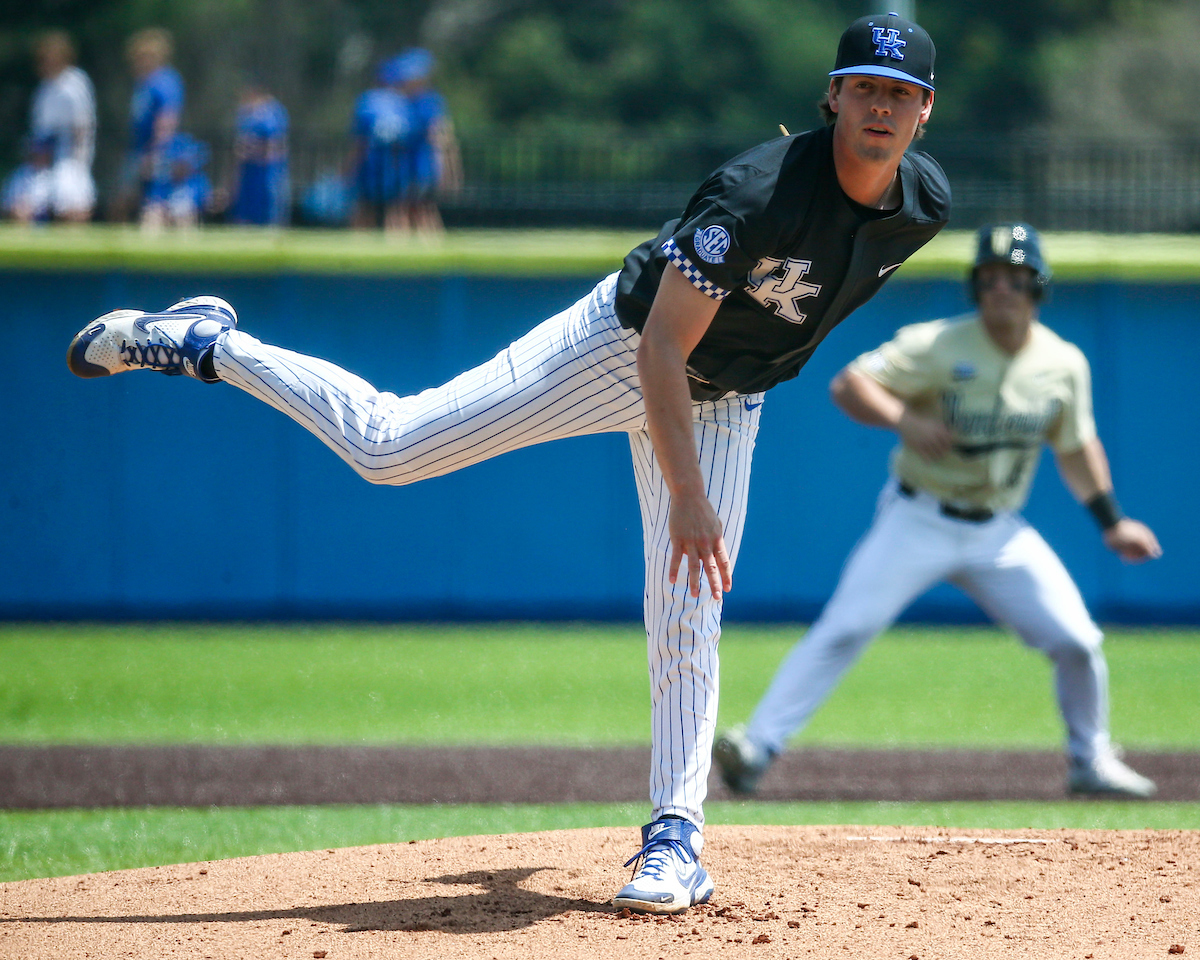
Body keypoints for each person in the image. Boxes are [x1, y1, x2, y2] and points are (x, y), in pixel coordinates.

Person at [66, 12, 949, 913]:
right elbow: (660, 350)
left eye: (900, 93)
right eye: (865, 87)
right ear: (833, 95)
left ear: (924, 112)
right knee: (389, 447)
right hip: (626, 345)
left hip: (731, 397)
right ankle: (212, 345)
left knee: (691, 609)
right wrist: (688, 491)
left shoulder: (923, 205)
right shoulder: (757, 193)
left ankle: (675, 838)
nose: (881, 106)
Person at [713, 223, 1163, 800]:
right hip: (918, 518)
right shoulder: (938, 344)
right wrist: (904, 419)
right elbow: (851, 384)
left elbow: (1076, 448)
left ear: (1037, 287)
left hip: (998, 531)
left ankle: (1092, 761)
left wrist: (1112, 521)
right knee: (845, 627)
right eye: (991, 278)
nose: (1003, 288)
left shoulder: (1063, 363)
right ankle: (757, 748)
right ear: (976, 287)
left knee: (1078, 641)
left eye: (1016, 278)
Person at [22, 30, 96, 223]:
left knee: (72, 206)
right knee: (26, 203)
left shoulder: (75, 83)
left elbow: (82, 127)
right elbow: (39, 130)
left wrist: (80, 162)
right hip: (44, 159)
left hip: (70, 157)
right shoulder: (44, 90)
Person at [112, 27, 184, 224]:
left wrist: (155, 151)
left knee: (155, 203)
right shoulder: (143, 83)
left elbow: (167, 120)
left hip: (156, 151)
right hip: (138, 149)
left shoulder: (165, 81)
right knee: (124, 200)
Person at [391, 47, 461, 234]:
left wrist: (448, 169)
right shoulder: (402, 102)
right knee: (405, 207)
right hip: (406, 165)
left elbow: (441, 137)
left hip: (421, 164)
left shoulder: (429, 102)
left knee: (421, 209)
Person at [347, 57, 410, 231]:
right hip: (395, 165)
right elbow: (406, 141)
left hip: (371, 163)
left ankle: (357, 251)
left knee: (363, 209)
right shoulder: (402, 103)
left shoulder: (367, 100)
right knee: (396, 210)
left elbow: (360, 141)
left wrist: (349, 168)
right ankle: (399, 253)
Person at [227, 79, 290, 226]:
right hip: (247, 173)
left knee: (268, 216)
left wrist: (251, 151)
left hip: (267, 173)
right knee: (243, 216)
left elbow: (275, 146)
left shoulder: (274, 113)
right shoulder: (245, 114)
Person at [140, 132, 211, 230]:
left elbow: (202, 204)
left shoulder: (196, 180)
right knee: (152, 215)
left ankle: (187, 243)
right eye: (177, 163)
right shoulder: (163, 179)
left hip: (183, 214)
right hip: (164, 212)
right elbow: (154, 200)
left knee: (185, 217)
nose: (180, 167)